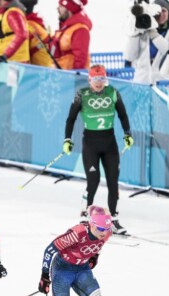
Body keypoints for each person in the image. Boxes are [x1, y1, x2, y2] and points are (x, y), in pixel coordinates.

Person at [63, 64, 132, 234]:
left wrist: (127, 134)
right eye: (95, 79)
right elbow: (71, 119)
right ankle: (85, 216)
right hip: (91, 145)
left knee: (113, 182)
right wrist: (67, 139)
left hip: (109, 144)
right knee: (93, 181)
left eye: (102, 79)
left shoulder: (113, 93)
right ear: (89, 80)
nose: (99, 83)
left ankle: (114, 220)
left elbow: (123, 115)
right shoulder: (81, 95)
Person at [123, 0, 169, 84]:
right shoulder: (142, 32)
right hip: (141, 82)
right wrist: (134, 34)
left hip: (164, 84)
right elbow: (130, 56)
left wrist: (154, 35)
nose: (161, 14)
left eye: (164, 11)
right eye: (158, 11)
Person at [49, 0, 92, 71]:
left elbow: (80, 59)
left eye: (61, 6)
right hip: (60, 74)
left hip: (70, 75)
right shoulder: (64, 28)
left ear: (69, 9)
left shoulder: (80, 29)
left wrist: (74, 76)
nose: (57, 8)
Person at [20, 0, 55, 67]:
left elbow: (21, 57)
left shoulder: (26, 27)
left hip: (37, 71)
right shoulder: (40, 22)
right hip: (49, 68)